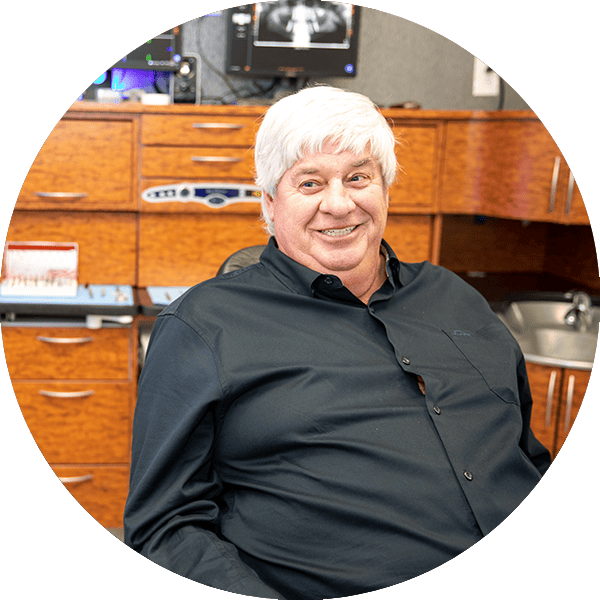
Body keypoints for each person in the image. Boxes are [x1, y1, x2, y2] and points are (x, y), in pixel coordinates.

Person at [124, 86, 551, 600]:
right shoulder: (203, 325)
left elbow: (526, 458)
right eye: (310, 183)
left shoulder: (456, 298)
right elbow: (164, 526)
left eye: (358, 177)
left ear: (384, 189)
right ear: (269, 202)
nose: (339, 203)